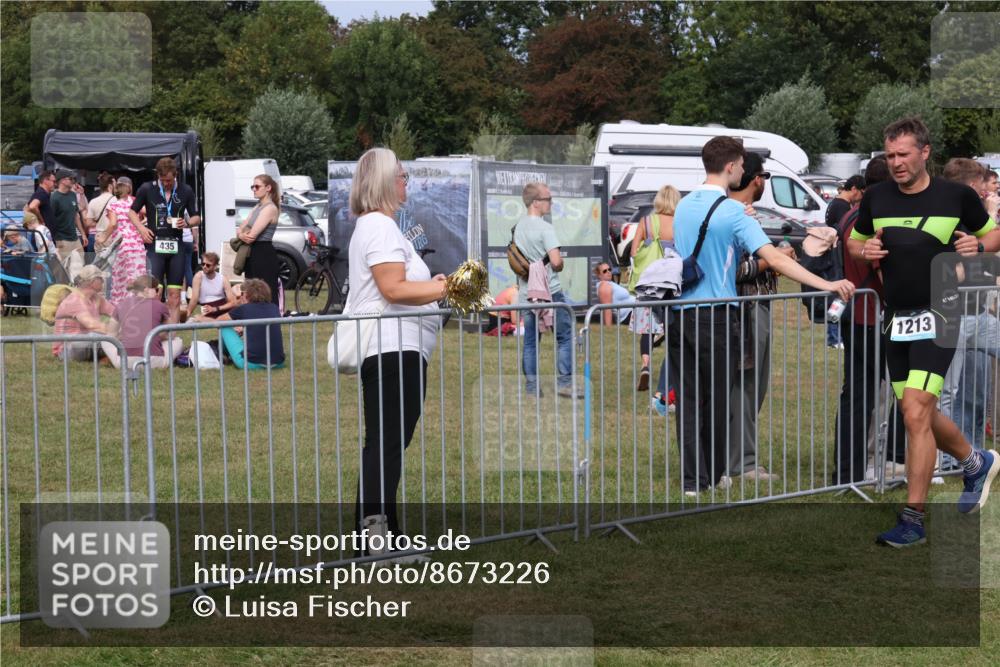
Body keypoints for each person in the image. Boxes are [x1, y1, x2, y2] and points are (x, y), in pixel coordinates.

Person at [670, 136, 855, 496]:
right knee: (721, 399)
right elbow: (778, 260)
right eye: (741, 165)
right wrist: (827, 284)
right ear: (730, 167)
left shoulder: (684, 205)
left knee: (691, 400)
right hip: (717, 314)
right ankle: (713, 474)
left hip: (680, 313)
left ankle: (693, 481)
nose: (744, 170)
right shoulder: (733, 211)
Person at [846, 116, 1000, 547]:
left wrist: (977, 245)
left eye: (903, 154)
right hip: (897, 316)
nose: (895, 163)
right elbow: (854, 243)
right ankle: (975, 462)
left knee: (915, 411)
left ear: (925, 152)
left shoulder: (957, 196)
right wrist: (866, 248)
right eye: (890, 155)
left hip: (943, 311)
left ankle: (912, 519)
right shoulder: (876, 197)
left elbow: (994, 237)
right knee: (921, 412)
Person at [347, 147, 446, 556]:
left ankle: (379, 532)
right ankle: (374, 538)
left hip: (401, 348)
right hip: (392, 348)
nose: (407, 182)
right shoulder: (379, 227)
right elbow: (393, 289)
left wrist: (433, 284)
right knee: (386, 443)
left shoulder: (383, 227)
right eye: (402, 176)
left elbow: (402, 284)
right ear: (386, 182)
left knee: (387, 443)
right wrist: (448, 288)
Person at [831, 155, 907, 485]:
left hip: (859, 314)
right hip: (876, 316)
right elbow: (887, 273)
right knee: (881, 395)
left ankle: (848, 472)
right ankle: (864, 468)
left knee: (858, 396)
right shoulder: (876, 219)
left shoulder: (850, 215)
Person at [725, 151, 789, 483]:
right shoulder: (734, 216)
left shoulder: (742, 214)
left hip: (755, 305)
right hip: (743, 309)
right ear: (756, 179)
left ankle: (742, 460)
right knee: (745, 385)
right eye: (764, 177)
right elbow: (736, 269)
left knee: (754, 385)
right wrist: (774, 260)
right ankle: (741, 464)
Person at [938, 157, 1000, 452]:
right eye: (979, 186)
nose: (985, 191)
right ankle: (945, 458)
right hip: (954, 316)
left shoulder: (977, 221)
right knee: (948, 392)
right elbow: (948, 274)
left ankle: (971, 450)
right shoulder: (949, 221)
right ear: (967, 186)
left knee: (969, 391)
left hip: (979, 312)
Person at [514, 182, 581, 399]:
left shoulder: (518, 228)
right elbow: (556, 261)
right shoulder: (546, 228)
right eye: (547, 199)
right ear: (536, 202)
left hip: (527, 293)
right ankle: (564, 384)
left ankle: (532, 388)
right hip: (550, 292)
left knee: (531, 342)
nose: (550, 202)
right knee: (564, 337)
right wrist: (559, 265)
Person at [128, 157, 201, 323]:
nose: (166, 184)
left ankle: (172, 335)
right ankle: (153, 332)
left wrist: (188, 223)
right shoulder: (147, 188)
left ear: (175, 175)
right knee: (154, 293)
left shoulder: (186, 190)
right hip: (155, 245)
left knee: (174, 295)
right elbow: (132, 212)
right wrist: (141, 228)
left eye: (169, 180)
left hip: (177, 246)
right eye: (162, 180)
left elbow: (197, 217)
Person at [628, 185, 680, 391]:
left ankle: (645, 364)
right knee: (673, 326)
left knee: (646, 329)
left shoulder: (646, 221)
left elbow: (633, 252)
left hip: (647, 284)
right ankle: (670, 373)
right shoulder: (679, 223)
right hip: (670, 282)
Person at [100, 275, 182, 369]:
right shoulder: (159, 305)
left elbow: (111, 335)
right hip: (153, 361)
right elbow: (172, 333)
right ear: (147, 290)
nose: (158, 293)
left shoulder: (121, 304)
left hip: (124, 361)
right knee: (178, 341)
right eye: (156, 289)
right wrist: (158, 337)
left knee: (105, 340)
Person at [214, 278, 285, 369]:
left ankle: (222, 353)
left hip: (251, 363)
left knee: (224, 327)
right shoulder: (274, 308)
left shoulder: (245, 308)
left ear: (246, 295)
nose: (240, 296)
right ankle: (223, 353)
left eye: (242, 293)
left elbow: (219, 320)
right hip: (278, 363)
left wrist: (236, 326)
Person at [52, 265, 115, 361]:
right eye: (101, 279)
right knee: (101, 337)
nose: (103, 281)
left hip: (84, 343)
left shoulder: (96, 298)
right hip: (66, 350)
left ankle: (110, 358)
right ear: (93, 281)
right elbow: (93, 325)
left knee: (105, 337)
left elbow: (116, 313)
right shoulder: (75, 300)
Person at [238, 174, 282, 306]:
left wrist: (242, 234)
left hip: (263, 254)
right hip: (252, 254)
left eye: (257, 186)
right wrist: (241, 234)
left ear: (268, 188)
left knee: (266, 293)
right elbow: (241, 227)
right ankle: (253, 323)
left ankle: (270, 324)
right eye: (253, 186)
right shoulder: (257, 206)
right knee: (250, 292)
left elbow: (251, 236)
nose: (254, 189)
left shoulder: (270, 208)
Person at [103, 177, 148, 305]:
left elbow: (112, 224)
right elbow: (149, 212)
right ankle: (138, 304)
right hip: (137, 245)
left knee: (120, 276)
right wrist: (140, 224)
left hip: (122, 245)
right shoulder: (134, 202)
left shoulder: (113, 205)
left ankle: (120, 305)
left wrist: (103, 237)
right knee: (138, 276)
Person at [49, 170, 88, 282]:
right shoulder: (54, 198)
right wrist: (54, 241)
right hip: (62, 239)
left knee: (80, 270)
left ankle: (78, 294)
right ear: (62, 180)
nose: (74, 181)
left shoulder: (72, 194)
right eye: (71, 179)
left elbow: (77, 213)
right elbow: (50, 220)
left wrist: (83, 234)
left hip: (75, 238)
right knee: (64, 272)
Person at [187, 252, 238, 320]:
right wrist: (188, 313)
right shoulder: (198, 276)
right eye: (203, 264)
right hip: (207, 310)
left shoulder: (223, 278)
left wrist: (215, 309)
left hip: (222, 309)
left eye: (208, 265)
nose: (204, 267)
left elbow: (233, 302)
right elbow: (194, 299)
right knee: (197, 319)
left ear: (215, 266)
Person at [87, 174, 116, 252]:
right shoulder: (116, 201)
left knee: (100, 261)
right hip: (114, 236)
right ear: (110, 186)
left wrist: (100, 222)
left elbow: (88, 223)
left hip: (99, 235)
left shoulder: (93, 202)